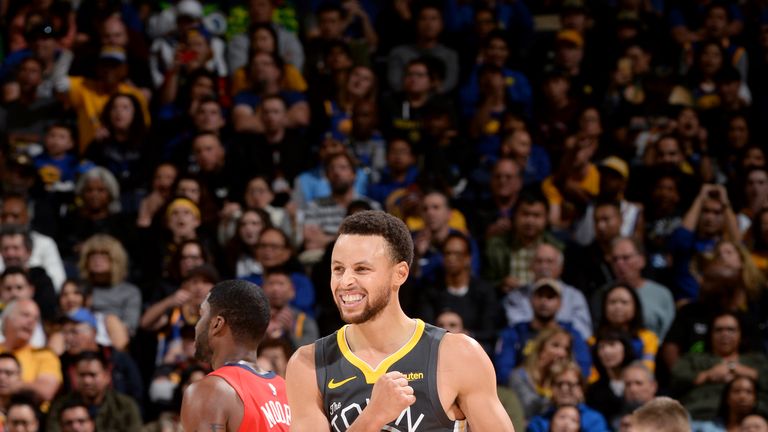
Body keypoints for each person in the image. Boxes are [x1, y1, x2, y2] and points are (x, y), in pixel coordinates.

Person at [285, 210, 514, 431]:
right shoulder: (308, 364)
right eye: (338, 269)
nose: (345, 281)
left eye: (361, 269)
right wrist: (374, 416)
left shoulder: (458, 354)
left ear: (400, 274)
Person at [181, 279, 291, 431]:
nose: (197, 326)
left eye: (202, 316)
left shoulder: (210, 391)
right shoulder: (287, 391)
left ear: (216, 324)